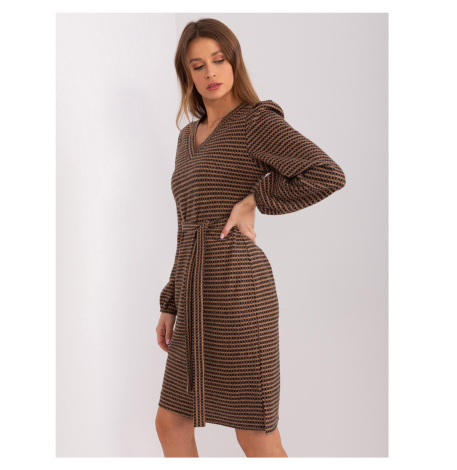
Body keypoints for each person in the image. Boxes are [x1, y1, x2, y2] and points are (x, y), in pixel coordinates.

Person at [155, 18, 346, 458]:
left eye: (219, 60)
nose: (210, 72)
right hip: (194, 294)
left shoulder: (255, 121)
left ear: (234, 62)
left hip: (239, 289)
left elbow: (327, 173)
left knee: (254, 434)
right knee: (171, 423)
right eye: (198, 65)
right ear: (187, 75)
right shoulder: (187, 139)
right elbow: (186, 227)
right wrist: (170, 303)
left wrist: (255, 199)